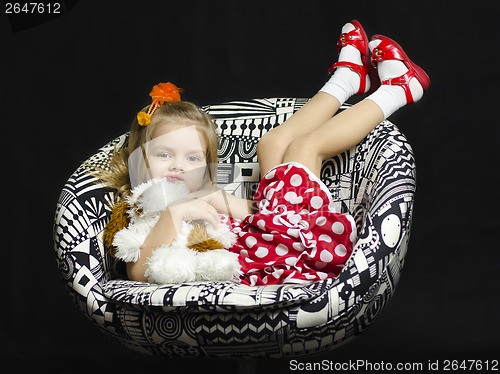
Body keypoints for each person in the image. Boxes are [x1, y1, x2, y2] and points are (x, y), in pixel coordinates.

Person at [99, 20, 429, 286]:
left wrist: (215, 200)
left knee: (269, 145)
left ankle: (347, 79)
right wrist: (176, 212)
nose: (178, 167)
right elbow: (138, 273)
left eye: (193, 158)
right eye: (164, 155)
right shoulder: (137, 208)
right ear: (139, 160)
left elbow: (257, 211)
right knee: (305, 148)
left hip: (276, 226)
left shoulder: (205, 193)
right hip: (290, 252)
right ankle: (399, 90)